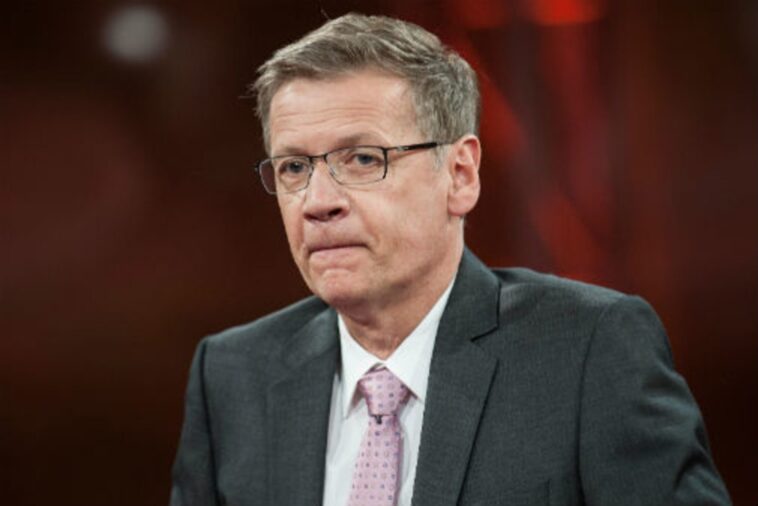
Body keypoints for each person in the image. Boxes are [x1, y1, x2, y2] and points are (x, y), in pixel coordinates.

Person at [170, 13, 731, 506]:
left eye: (362, 158)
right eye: (294, 168)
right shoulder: (232, 376)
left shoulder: (589, 351)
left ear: (460, 175)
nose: (318, 202)